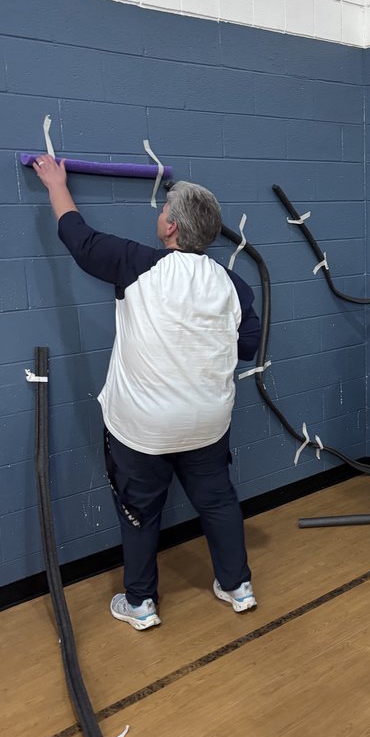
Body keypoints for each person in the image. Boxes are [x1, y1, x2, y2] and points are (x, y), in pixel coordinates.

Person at [33, 155, 261, 630]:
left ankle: (140, 604)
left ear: (172, 227)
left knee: (140, 513)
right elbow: (247, 346)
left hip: (144, 429)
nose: (157, 217)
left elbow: (80, 238)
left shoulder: (137, 265)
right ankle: (238, 586)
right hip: (207, 423)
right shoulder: (233, 285)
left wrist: (56, 184)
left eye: (162, 212)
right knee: (218, 503)